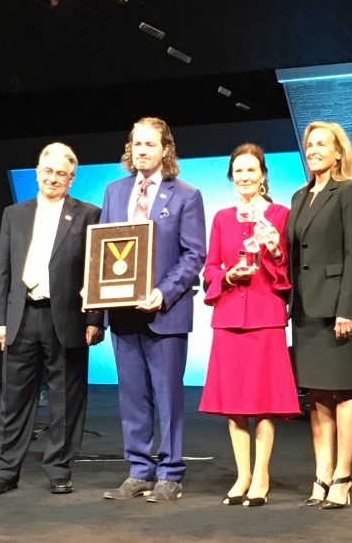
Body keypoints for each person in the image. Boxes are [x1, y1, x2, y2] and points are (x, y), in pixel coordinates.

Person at [0, 142, 104, 495]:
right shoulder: (14, 214)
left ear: (71, 178)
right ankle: (5, 472)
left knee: (66, 400)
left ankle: (59, 470)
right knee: (14, 400)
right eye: (48, 171)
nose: (53, 179)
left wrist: (95, 317)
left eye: (61, 174)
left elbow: (96, 271)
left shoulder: (88, 214)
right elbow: (1, 271)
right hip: (22, 317)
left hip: (66, 319)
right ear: (38, 172)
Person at [99, 117, 206, 503]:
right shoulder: (113, 192)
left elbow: (194, 254)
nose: (141, 150)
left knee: (167, 395)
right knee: (131, 396)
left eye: (149, 144)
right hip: (124, 314)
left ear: (165, 149)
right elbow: (105, 251)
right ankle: (138, 470)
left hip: (166, 313)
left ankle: (171, 473)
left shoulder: (186, 195)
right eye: (136, 144)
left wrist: (163, 292)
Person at [198, 143, 299, 507]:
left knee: (264, 402)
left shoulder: (280, 214)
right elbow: (209, 268)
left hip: (264, 317)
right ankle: (242, 474)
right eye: (238, 171)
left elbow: (287, 271)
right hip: (228, 318)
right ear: (231, 177)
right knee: (235, 405)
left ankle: (262, 475)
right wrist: (227, 276)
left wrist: (272, 248)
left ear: (263, 176)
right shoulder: (222, 217)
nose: (244, 177)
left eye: (251, 171)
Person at [287, 121, 352, 510]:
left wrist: (347, 308)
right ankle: (321, 473)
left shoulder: (350, 192)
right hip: (304, 309)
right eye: (309, 144)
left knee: (344, 391)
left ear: (339, 152)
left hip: (338, 308)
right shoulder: (299, 196)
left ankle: (343, 476)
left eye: (322, 144)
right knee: (317, 395)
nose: (313, 149)